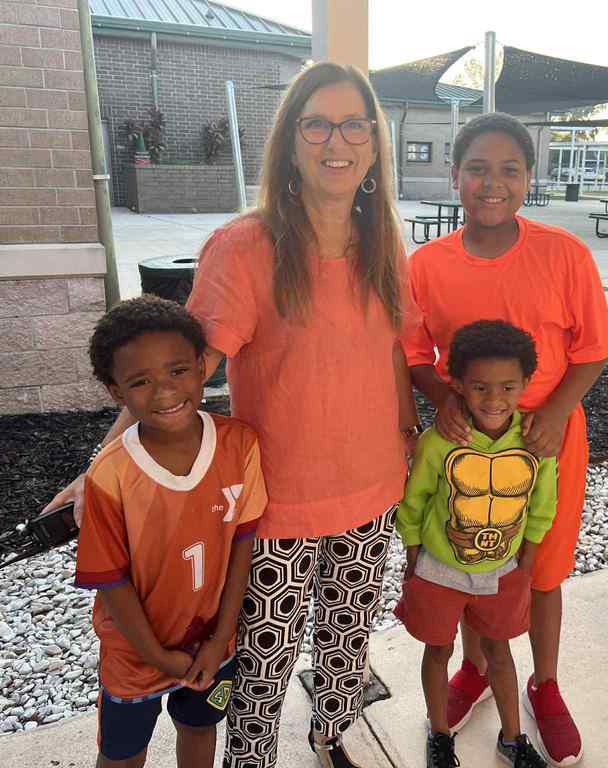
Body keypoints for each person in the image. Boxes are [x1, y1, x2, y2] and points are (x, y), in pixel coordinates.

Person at [47, 62, 419, 768]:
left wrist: (412, 437)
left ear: (373, 143)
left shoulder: (384, 245)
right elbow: (183, 378)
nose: (335, 140)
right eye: (317, 123)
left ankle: (330, 737)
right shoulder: (245, 247)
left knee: (346, 644)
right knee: (259, 671)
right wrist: (102, 465)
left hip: (373, 491)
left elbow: (394, 353)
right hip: (273, 505)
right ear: (290, 140)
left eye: (353, 124)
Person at [402, 112, 608, 767]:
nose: (491, 183)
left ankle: (543, 685)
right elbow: (414, 351)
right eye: (476, 168)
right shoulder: (428, 265)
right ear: (455, 174)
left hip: (546, 442)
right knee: (468, 558)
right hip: (465, 448)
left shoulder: (564, 253)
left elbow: (595, 349)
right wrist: (443, 404)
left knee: (537, 570)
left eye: (508, 170)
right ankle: (473, 668)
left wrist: (553, 411)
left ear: (529, 177)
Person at [74, 295, 267, 768]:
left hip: (211, 646)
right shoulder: (111, 473)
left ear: (203, 367)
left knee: (200, 730)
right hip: (136, 656)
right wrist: (157, 655)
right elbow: (111, 579)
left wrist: (222, 636)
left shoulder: (240, 443)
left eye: (178, 371)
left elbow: (242, 545)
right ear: (116, 392)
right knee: (122, 753)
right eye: (140, 381)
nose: (163, 392)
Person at [395, 320, 556, 768]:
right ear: (458, 385)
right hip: (436, 570)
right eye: (480, 387)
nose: (494, 399)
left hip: (502, 571)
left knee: (500, 653)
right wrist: (413, 557)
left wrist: (527, 561)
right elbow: (414, 500)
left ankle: (513, 738)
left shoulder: (535, 442)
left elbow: (543, 505)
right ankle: (440, 735)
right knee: (438, 650)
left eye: (508, 387)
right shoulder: (439, 442)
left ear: (525, 383)